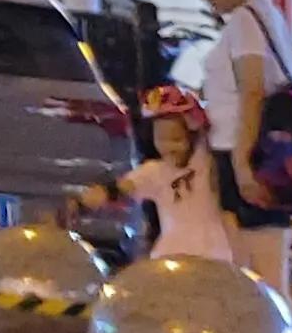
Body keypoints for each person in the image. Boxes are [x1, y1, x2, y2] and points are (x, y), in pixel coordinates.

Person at [189, 0, 292, 267]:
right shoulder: (265, 14)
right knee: (256, 265)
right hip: (262, 149)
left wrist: (242, 162)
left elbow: (252, 91)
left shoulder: (245, 21)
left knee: (257, 267)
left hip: (248, 151)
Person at [70, 81, 245, 268]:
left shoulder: (205, 162)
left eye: (177, 139)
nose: (168, 147)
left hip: (213, 257)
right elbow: (124, 187)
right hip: (171, 257)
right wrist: (85, 202)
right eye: (161, 139)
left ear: (193, 135)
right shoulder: (156, 172)